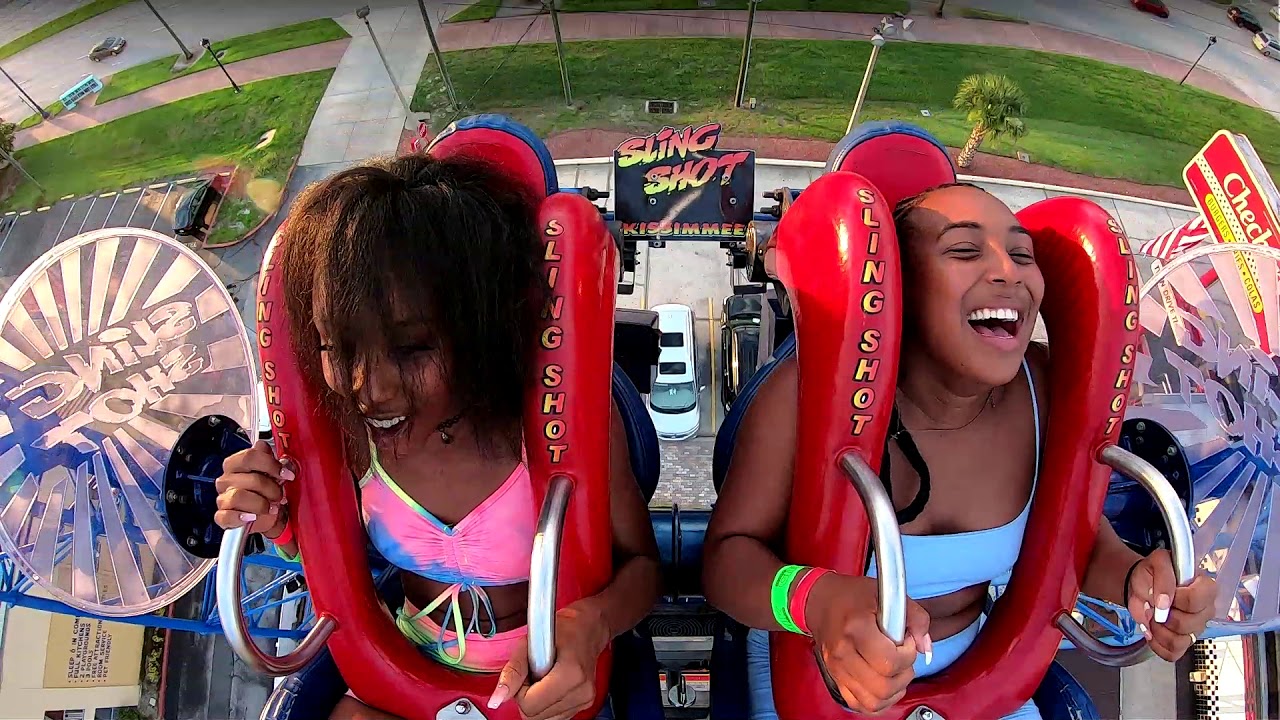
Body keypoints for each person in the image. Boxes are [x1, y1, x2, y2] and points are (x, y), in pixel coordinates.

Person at [701, 183, 1218, 719]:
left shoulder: (1046, 392)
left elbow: (1073, 545)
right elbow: (724, 560)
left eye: (1023, 255)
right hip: (809, 677)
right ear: (901, 285)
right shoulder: (804, 396)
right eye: (965, 250)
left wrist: (1140, 581)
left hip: (981, 684)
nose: (1008, 272)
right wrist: (813, 599)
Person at [214, 155, 661, 720]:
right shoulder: (350, 435)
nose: (370, 389)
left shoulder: (555, 427)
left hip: (545, 681)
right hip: (397, 674)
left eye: (411, 349)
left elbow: (644, 567)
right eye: (337, 348)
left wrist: (590, 623)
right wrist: (276, 519)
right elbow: (329, 558)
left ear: (480, 329)